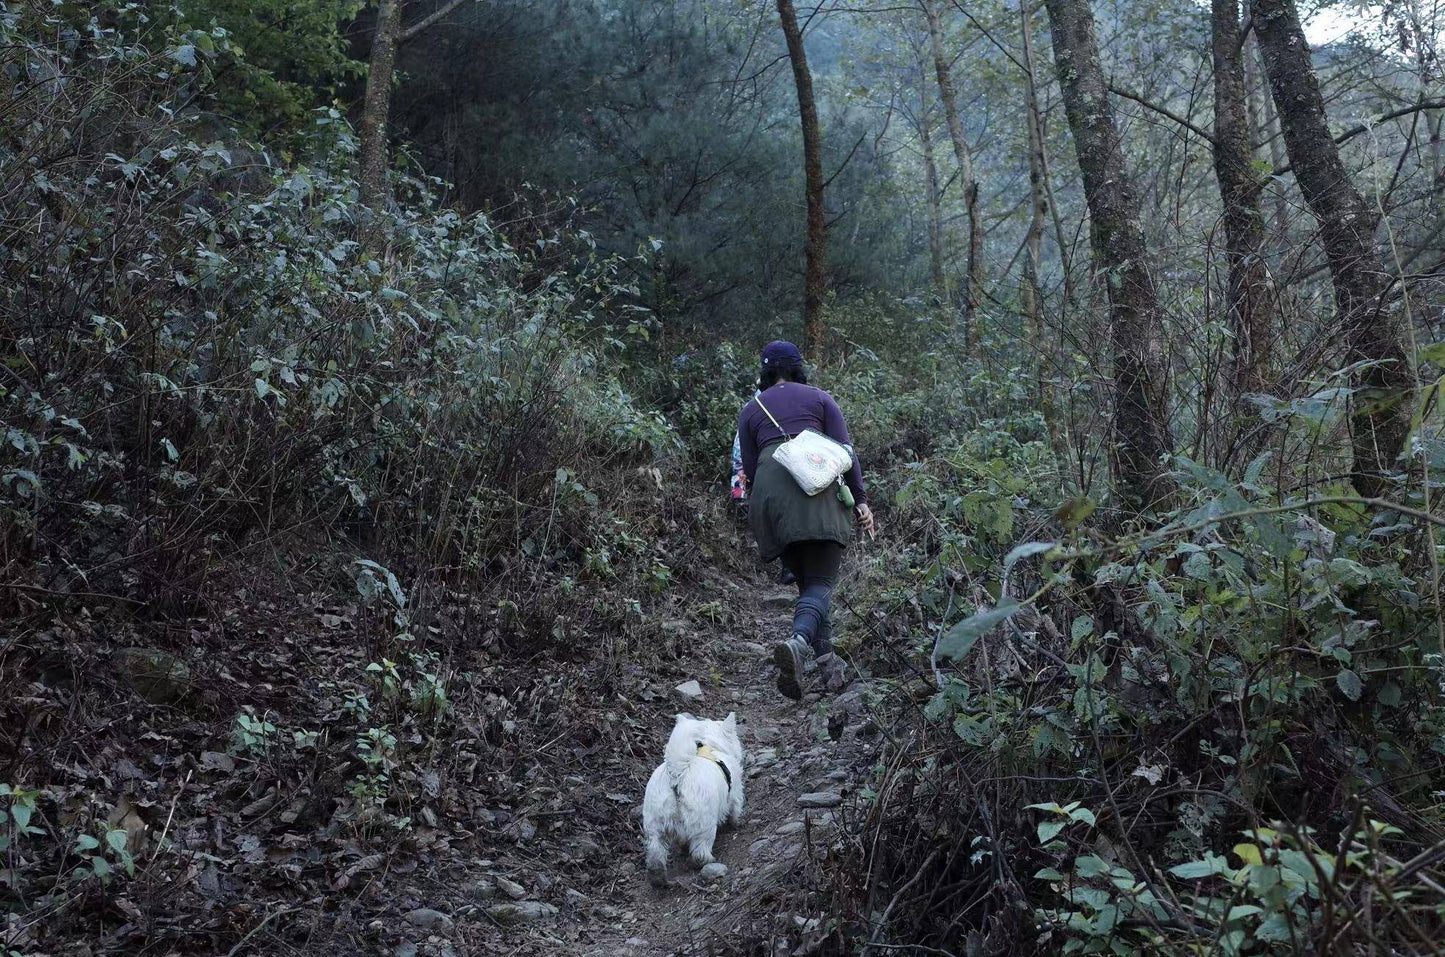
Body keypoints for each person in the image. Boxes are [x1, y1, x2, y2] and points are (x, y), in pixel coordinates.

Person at [737, 340, 875, 699]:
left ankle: (827, 666)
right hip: (815, 490)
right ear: (799, 368)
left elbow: (749, 469)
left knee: (809, 585)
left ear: (765, 372)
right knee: (822, 583)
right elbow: (845, 453)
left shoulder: (751, 409)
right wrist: (860, 500)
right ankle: (798, 644)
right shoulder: (819, 398)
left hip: (769, 499)